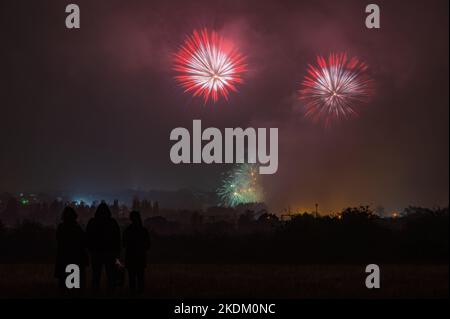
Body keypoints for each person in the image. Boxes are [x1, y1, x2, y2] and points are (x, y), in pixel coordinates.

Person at [86, 203, 121, 292]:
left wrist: (90, 249)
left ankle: (95, 291)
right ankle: (110, 292)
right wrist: (117, 252)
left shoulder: (92, 222)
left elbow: (88, 237)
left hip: (96, 253)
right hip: (110, 253)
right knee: (111, 275)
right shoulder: (112, 222)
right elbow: (117, 238)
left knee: (96, 275)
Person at [54, 206, 88, 293]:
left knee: (63, 282)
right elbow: (83, 241)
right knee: (74, 286)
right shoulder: (77, 228)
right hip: (75, 258)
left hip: (63, 257)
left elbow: (58, 240)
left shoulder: (61, 227)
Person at [123, 211, 150, 294]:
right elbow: (148, 244)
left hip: (130, 258)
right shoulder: (143, 231)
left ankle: (133, 294)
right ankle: (140, 294)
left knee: (132, 279)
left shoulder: (128, 230)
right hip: (140, 258)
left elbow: (124, 244)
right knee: (140, 278)